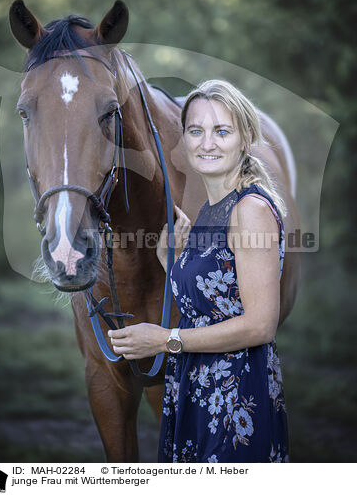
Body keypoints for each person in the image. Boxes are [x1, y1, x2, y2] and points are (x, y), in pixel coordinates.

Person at [108, 79, 289, 463]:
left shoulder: (250, 210)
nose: (207, 142)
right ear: (183, 139)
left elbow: (260, 325)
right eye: (196, 130)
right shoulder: (211, 210)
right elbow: (218, 301)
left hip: (236, 402)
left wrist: (164, 340)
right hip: (197, 391)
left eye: (222, 131)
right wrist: (172, 264)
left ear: (245, 139)